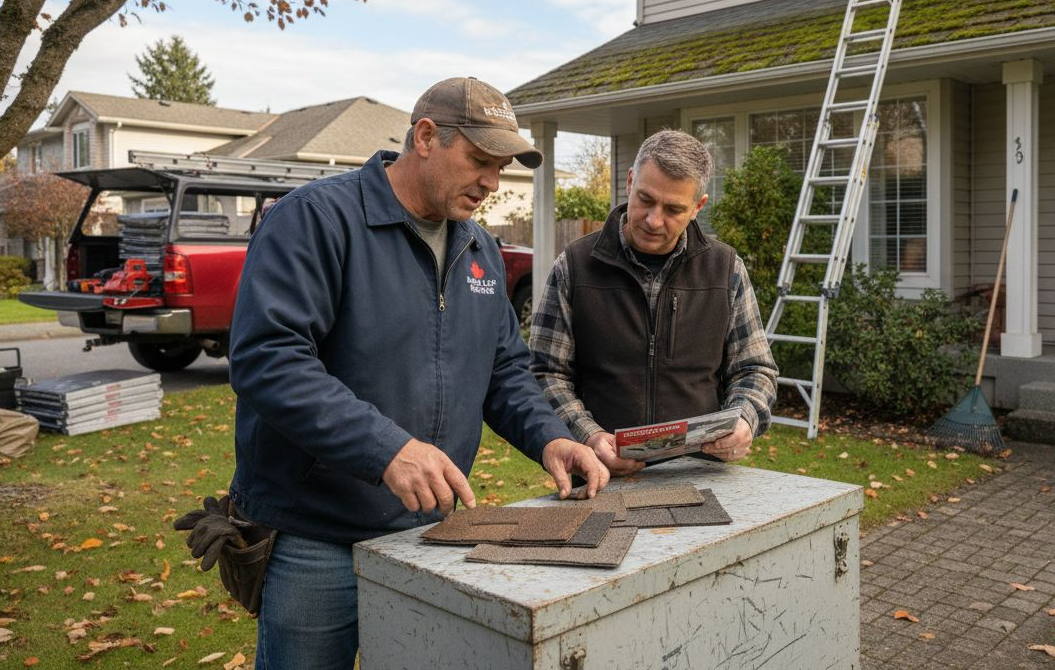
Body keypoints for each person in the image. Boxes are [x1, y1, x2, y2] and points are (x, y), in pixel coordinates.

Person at [226, 77, 609, 669]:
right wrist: (387, 450)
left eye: (501, 167)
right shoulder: (316, 220)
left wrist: (551, 437)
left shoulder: (478, 248)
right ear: (426, 137)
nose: (491, 182)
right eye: (480, 161)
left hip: (429, 532)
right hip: (315, 535)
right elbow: (269, 359)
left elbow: (504, 368)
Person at [530, 129, 778, 476]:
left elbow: (755, 369)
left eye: (674, 208)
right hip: (600, 474)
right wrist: (590, 436)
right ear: (630, 181)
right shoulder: (574, 266)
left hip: (703, 473)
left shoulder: (726, 269)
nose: (653, 220)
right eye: (645, 199)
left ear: (698, 207)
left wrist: (745, 418)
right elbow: (545, 373)